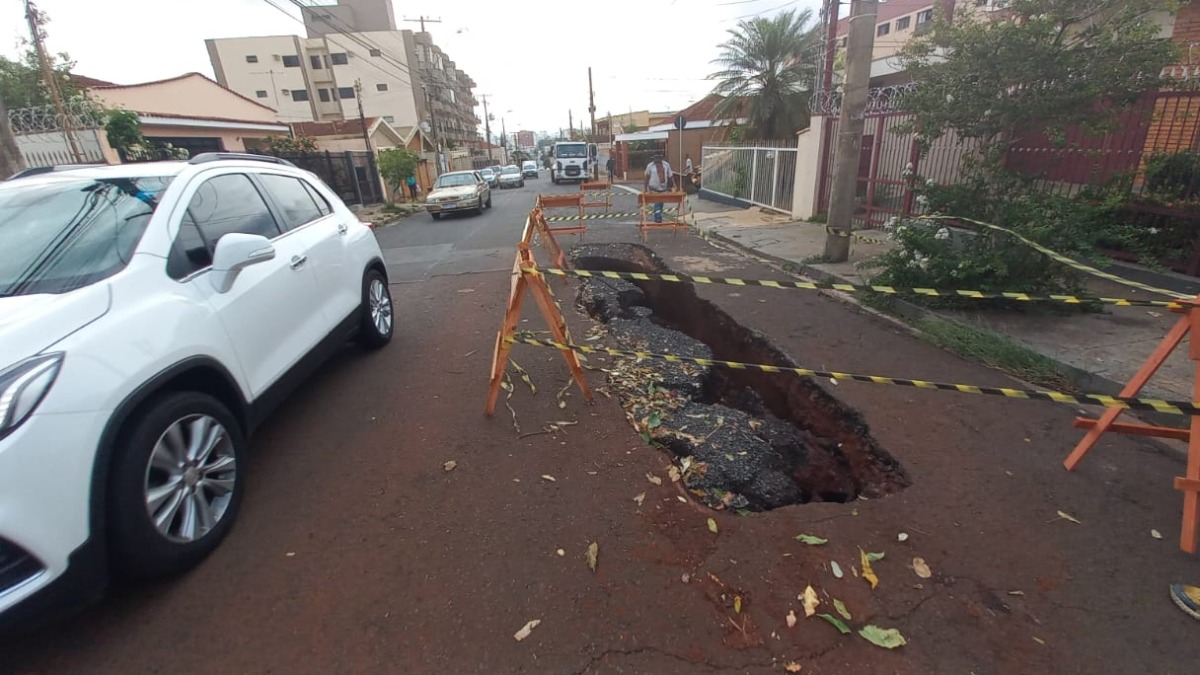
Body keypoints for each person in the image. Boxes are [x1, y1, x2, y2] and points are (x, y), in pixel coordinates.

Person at [643, 154, 674, 223]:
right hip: (653, 189)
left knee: (660, 204)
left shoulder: (666, 165)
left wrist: (673, 186)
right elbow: (647, 177)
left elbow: (670, 176)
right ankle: (658, 218)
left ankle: (658, 216)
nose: (657, 159)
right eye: (655, 158)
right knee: (657, 203)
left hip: (663, 188)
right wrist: (645, 188)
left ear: (661, 158)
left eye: (658, 158)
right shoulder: (650, 166)